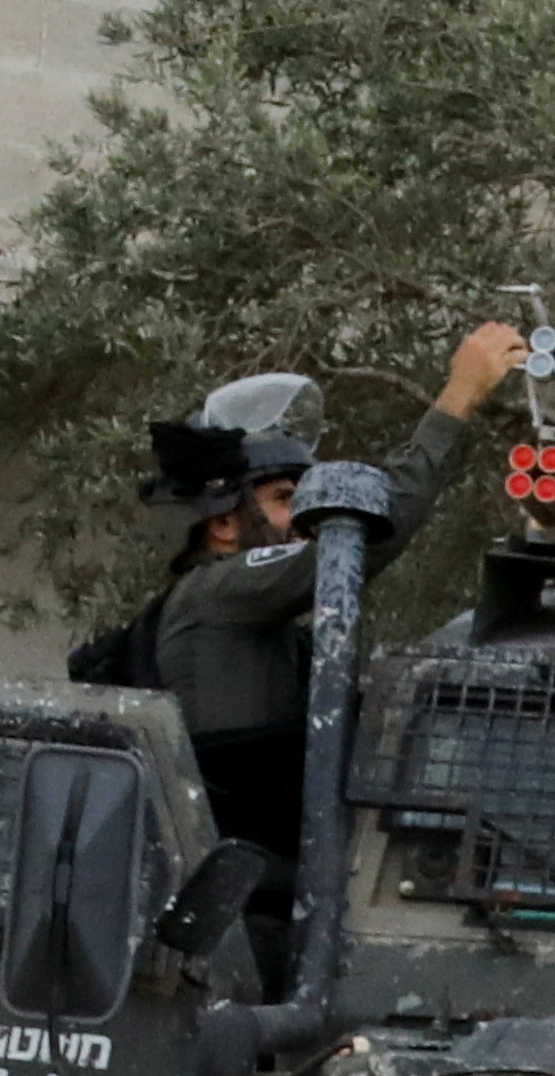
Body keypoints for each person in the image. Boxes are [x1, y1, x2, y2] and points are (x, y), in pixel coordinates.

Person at [89, 327, 524, 870]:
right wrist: (459, 396)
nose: (308, 516)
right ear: (224, 523)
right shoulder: (219, 593)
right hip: (248, 915)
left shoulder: (260, 622)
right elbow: (370, 532)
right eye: (285, 499)